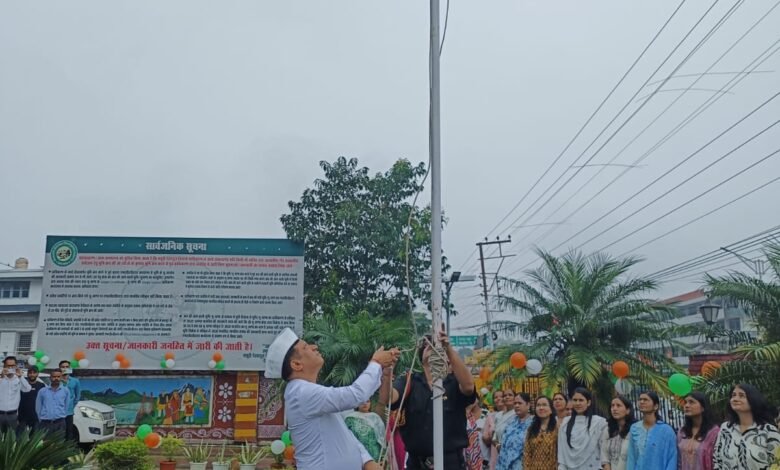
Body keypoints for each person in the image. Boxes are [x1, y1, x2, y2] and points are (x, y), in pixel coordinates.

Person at [266, 327, 399, 470]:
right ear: (297, 364)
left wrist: (366, 460)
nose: (314, 347)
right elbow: (356, 395)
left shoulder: (308, 392)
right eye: (306, 347)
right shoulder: (301, 392)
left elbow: (343, 434)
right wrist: (376, 363)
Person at [382, 331, 476, 470]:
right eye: (426, 345)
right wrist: (387, 373)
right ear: (421, 357)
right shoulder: (410, 381)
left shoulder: (454, 382)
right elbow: (388, 398)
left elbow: (469, 387)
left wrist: (448, 348)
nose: (431, 346)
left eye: (435, 344)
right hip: (417, 464)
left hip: (451, 463)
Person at [713, 384, 780, 470]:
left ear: (753, 400)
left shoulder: (769, 431)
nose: (735, 399)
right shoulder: (725, 428)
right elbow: (717, 460)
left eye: (741, 396)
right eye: (733, 395)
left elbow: (776, 464)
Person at [557, 387, 607, 470]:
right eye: (575, 400)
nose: (577, 403)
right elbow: (562, 454)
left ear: (588, 402)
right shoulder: (565, 424)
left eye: (581, 400)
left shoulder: (599, 423)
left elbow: (604, 451)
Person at [626, 390, 677, 470]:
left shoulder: (666, 431)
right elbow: (631, 457)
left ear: (655, 406)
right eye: (640, 399)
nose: (641, 402)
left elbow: (672, 458)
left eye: (645, 400)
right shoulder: (634, 428)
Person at [677, 392, 719, 470]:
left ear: (703, 407)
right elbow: (679, 461)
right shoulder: (682, 432)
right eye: (685, 402)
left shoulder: (714, 432)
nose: (686, 405)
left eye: (691, 402)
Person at [496, 392, 533, 470]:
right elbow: (503, 447)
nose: (516, 405)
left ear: (528, 405)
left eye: (520, 403)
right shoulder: (511, 422)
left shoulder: (534, 423)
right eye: (515, 403)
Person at [522, 395, 558, 470]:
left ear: (551, 409)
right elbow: (527, 453)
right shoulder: (531, 429)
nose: (541, 408)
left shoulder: (558, 429)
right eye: (538, 405)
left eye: (544, 405)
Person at [600, 396, 635, 470]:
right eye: (612, 406)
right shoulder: (608, 430)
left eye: (618, 405)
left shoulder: (635, 430)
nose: (614, 409)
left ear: (628, 410)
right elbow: (604, 455)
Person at [0, 356, 31, 433]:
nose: (10, 368)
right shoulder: (1, 378)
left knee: (12, 438)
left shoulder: (18, 379)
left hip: (12, 415)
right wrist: (1, 377)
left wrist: (20, 376)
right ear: (4, 366)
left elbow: (27, 389)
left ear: (16, 366)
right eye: (8, 366)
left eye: (12, 366)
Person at [35, 369, 70, 437]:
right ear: (50, 378)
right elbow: (38, 407)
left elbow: (66, 406)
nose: (56, 378)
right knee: (46, 443)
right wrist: (41, 419)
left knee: (60, 443)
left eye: (58, 377)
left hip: (60, 422)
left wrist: (62, 416)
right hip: (45, 423)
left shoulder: (65, 391)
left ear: (61, 377)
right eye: (54, 376)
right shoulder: (42, 391)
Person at [482, 390, 506, 470]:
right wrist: (493, 437)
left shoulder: (513, 414)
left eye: (501, 396)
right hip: (495, 454)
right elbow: (485, 438)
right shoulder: (490, 416)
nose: (498, 399)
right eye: (496, 397)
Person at [18, 367, 46, 431]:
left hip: (36, 417)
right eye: (30, 373)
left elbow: (44, 401)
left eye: (34, 373)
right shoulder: (22, 384)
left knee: (35, 436)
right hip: (22, 417)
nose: (32, 375)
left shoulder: (41, 385)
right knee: (22, 436)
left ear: (37, 374)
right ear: (27, 374)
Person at [59, 360, 80, 442]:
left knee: (69, 432)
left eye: (67, 367)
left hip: (69, 412)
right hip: (58, 411)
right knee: (59, 432)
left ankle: (68, 448)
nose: (65, 368)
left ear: (70, 368)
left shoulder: (75, 381)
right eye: (63, 367)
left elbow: (77, 396)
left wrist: (71, 406)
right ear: (60, 368)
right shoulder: (56, 380)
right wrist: (61, 380)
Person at [465, 399, 484, 470]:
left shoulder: (485, 413)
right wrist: (468, 409)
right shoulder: (464, 414)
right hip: (466, 454)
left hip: (480, 453)